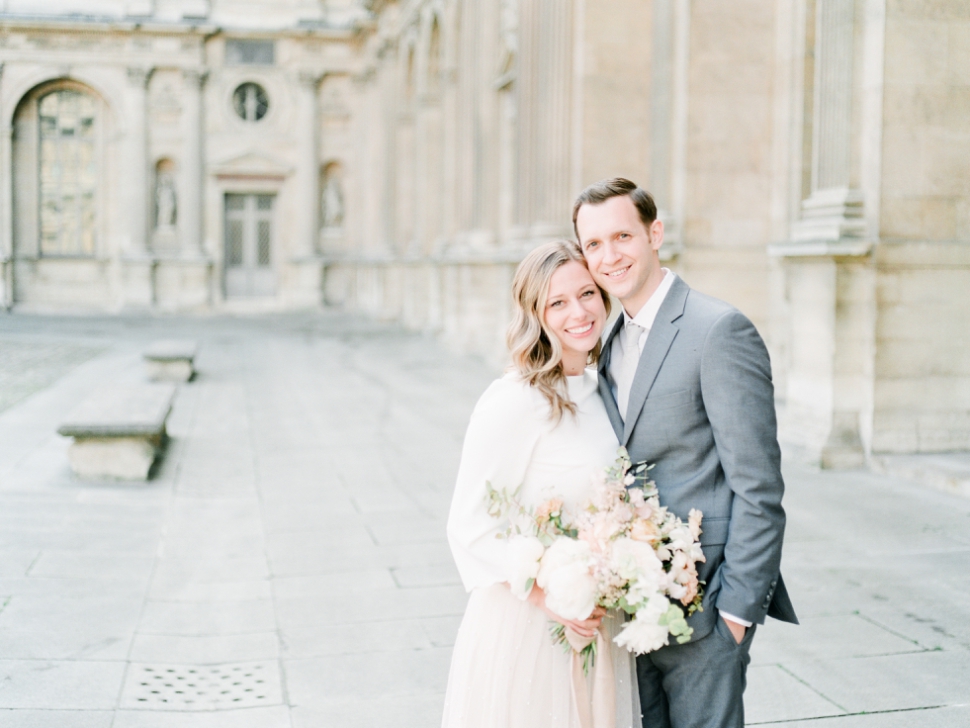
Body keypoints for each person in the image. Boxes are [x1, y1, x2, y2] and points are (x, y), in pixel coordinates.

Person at [573, 178, 798, 728]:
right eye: (594, 245)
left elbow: (760, 487)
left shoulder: (718, 330)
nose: (609, 256)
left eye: (622, 235)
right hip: (631, 609)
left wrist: (735, 617)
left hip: (707, 613)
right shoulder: (604, 339)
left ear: (655, 234)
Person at [442, 240, 640, 728]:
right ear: (535, 314)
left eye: (587, 294)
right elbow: (468, 527)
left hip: (597, 622)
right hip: (531, 624)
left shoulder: (603, 389)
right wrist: (551, 598)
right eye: (558, 302)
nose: (579, 312)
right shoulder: (514, 399)